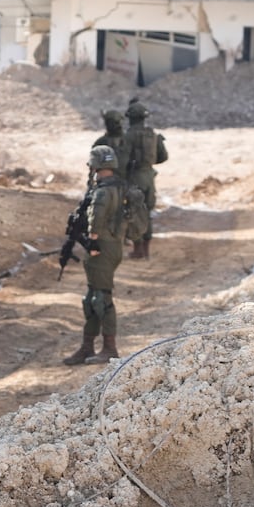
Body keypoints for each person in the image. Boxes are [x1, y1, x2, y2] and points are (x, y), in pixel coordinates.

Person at [62, 145, 125, 366]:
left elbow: (96, 220)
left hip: (102, 248)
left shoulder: (101, 191)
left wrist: (93, 241)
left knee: (103, 298)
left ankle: (109, 348)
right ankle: (87, 346)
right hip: (111, 247)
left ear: (96, 164)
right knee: (92, 298)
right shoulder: (117, 186)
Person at [123, 100, 168, 260]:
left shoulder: (128, 136)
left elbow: (123, 159)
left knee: (134, 213)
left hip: (134, 178)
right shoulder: (152, 134)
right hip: (149, 177)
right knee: (147, 212)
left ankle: (138, 250)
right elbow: (163, 157)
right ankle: (146, 251)